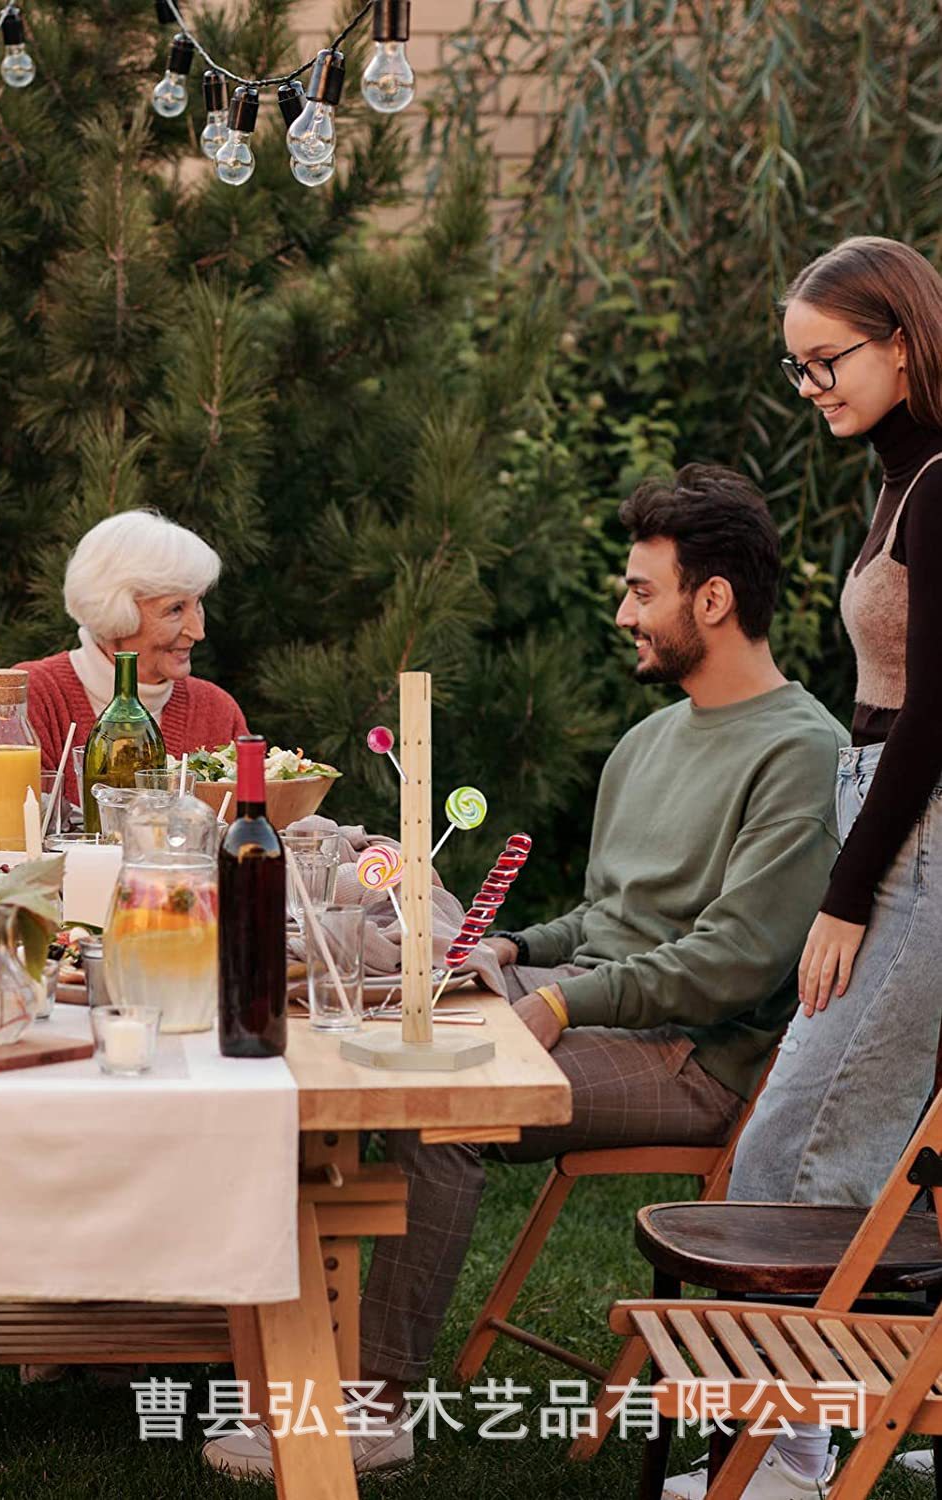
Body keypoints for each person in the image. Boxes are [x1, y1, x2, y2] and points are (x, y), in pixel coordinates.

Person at [204, 465, 848, 1481]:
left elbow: (732, 961)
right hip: (600, 1010)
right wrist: (509, 949)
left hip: (694, 1058)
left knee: (441, 1109)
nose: (623, 610)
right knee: (333, 1041)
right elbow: (613, 918)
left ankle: (372, 1406)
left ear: (712, 600)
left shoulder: (803, 752)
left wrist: (555, 1000)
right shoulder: (646, 743)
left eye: (643, 590)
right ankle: (280, 1367)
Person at [664, 239, 942, 1500]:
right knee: (798, 1141)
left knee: (810, 1148)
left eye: (826, 360)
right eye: (798, 369)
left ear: (901, 337)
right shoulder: (898, 482)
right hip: (885, 817)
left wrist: (844, 894)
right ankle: (783, 1446)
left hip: (920, 836)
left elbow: (936, 715)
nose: (814, 386)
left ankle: (791, 1460)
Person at [14, 510, 248, 793]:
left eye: (197, 603)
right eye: (175, 609)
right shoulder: (33, 695)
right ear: (115, 613)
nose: (197, 631)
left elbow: (270, 822)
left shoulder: (216, 711)